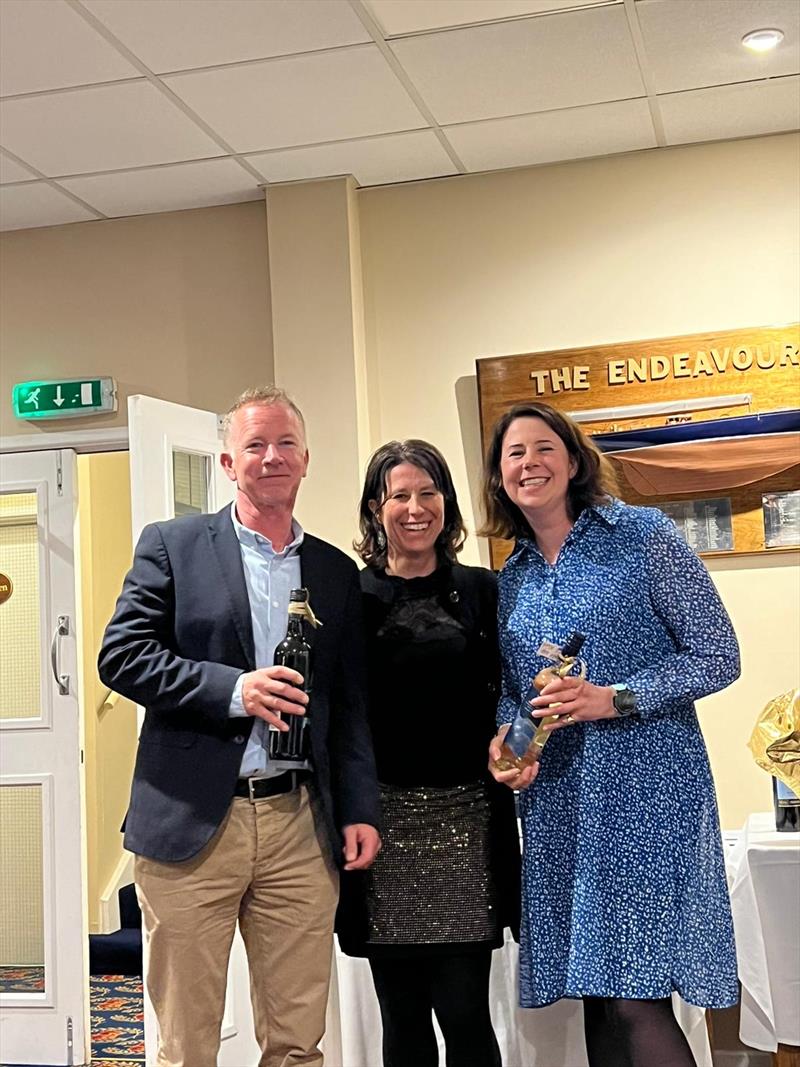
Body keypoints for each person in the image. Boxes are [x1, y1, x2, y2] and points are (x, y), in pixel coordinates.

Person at [98, 386, 381, 1067]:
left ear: (306, 460)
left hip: (297, 823)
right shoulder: (174, 545)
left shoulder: (336, 573)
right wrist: (234, 689)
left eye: (285, 443)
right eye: (255, 445)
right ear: (228, 462)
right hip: (193, 821)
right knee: (185, 1040)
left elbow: (347, 707)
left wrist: (359, 808)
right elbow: (121, 655)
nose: (271, 456)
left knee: (296, 1040)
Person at [483, 402, 739, 1067]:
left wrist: (615, 697)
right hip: (561, 803)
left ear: (572, 460)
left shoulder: (641, 534)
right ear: (499, 475)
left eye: (544, 448)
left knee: (635, 997)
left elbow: (717, 652)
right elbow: (519, 691)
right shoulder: (511, 579)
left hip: (649, 792)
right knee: (599, 990)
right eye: (514, 454)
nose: (529, 463)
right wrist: (511, 745)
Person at [337, 439, 521, 1067]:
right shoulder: (348, 597)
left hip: (468, 820)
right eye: (399, 495)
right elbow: (340, 709)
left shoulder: (485, 591)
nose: (415, 508)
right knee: (403, 1015)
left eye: (428, 492)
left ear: (447, 502)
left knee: (467, 1011)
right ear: (375, 508)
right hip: (380, 826)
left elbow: (519, 690)